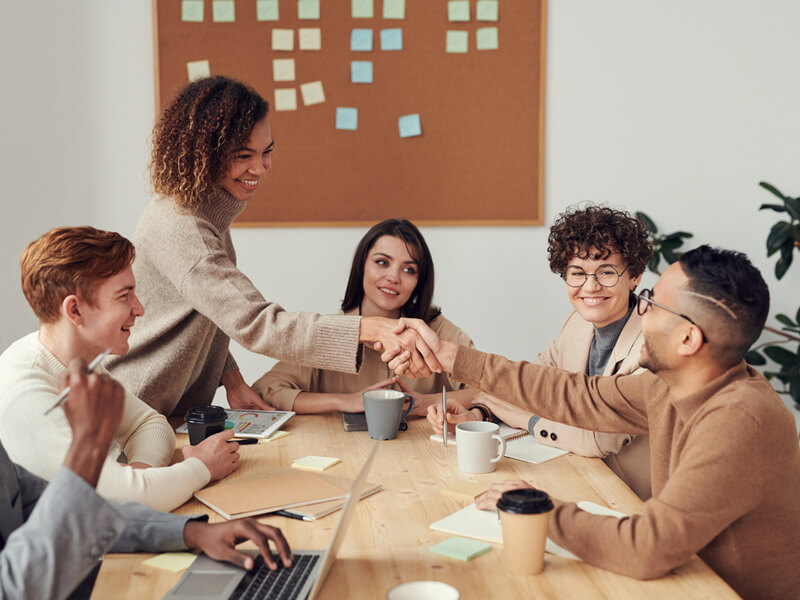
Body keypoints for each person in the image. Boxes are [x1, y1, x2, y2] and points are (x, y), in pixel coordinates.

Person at [398, 245, 800, 600]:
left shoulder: (739, 420)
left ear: (689, 340)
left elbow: (647, 547)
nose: (640, 312)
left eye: (653, 303)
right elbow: (578, 395)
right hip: (683, 578)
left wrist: (538, 509)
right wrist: (453, 358)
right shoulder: (670, 387)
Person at [106, 76, 438, 418]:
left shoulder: (204, 213)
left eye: (267, 152)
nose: (260, 168)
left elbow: (209, 311)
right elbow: (257, 323)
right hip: (134, 411)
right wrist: (365, 328)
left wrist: (231, 377)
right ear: (205, 154)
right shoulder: (184, 227)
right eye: (243, 155)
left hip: (165, 413)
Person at [0, 358, 292, 600]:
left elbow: (56, 507)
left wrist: (191, 533)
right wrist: (88, 445)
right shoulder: (25, 386)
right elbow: (18, 589)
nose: (140, 310)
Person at [0, 227, 239, 512]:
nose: (139, 309)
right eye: (124, 296)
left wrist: (138, 478)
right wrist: (201, 467)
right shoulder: (26, 395)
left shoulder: (78, 362)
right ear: (75, 311)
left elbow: (150, 424)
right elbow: (121, 503)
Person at [428, 205, 653, 499]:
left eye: (606, 272)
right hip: (577, 478)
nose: (590, 286)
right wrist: (480, 413)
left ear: (634, 275)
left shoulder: (653, 342)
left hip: (631, 499)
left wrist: (527, 420)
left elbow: (598, 440)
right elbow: (531, 385)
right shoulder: (575, 324)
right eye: (577, 273)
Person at [252, 219, 477, 416]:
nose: (393, 277)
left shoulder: (436, 330)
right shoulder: (330, 333)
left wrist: (430, 402)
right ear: (361, 266)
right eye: (382, 262)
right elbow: (265, 390)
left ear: (419, 281)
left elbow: (492, 391)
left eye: (409, 270)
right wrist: (344, 401)